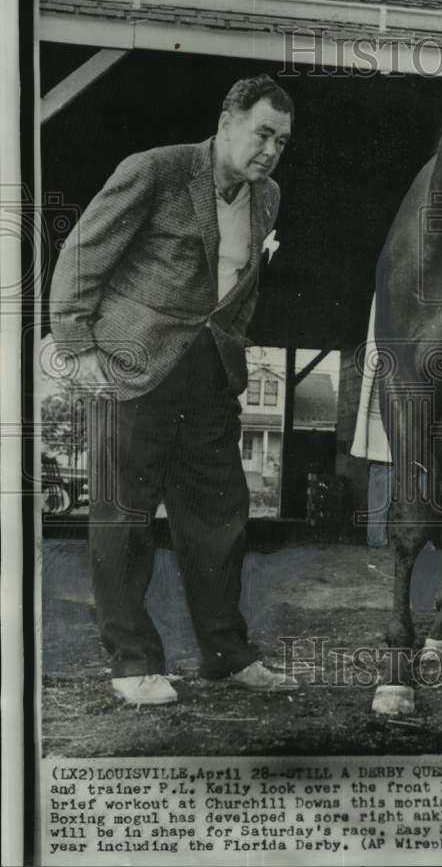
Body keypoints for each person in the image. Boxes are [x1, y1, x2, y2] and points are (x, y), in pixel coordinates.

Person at [49, 74, 298, 705]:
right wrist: (79, 350)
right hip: (133, 369)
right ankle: (133, 661)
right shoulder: (156, 172)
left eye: (282, 142)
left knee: (220, 517)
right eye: (262, 133)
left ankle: (226, 654)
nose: (270, 150)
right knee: (125, 518)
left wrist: (233, 359)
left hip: (209, 378)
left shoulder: (266, 198)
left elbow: (243, 287)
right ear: (227, 120)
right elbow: (81, 256)